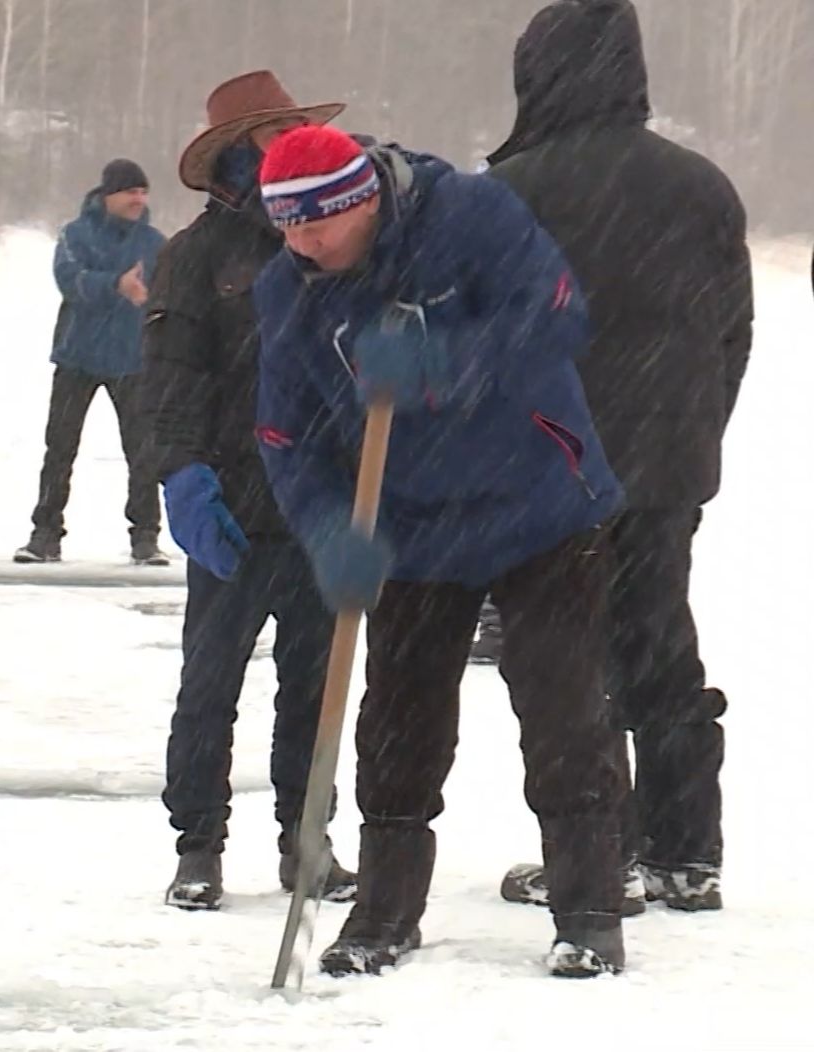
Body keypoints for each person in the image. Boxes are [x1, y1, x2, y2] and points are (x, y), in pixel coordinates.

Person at [251, 124, 629, 977]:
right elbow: (284, 435)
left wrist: (449, 360)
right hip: (412, 521)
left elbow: (559, 310)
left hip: (539, 500)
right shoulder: (290, 292)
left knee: (563, 707)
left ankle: (590, 912)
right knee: (398, 720)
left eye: (317, 224)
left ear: (363, 201)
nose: (301, 243)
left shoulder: (470, 214)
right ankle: (385, 914)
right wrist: (329, 531)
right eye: (286, 227)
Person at [483, 0, 752, 915]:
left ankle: (606, 850)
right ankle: (688, 848)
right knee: (660, 645)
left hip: (554, 466)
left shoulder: (516, 188)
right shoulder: (702, 187)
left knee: (569, 661)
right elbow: (732, 332)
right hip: (668, 463)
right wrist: (694, 430)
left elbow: (488, 344)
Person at [146, 71, 356, 910]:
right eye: (276, 138)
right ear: (243, 153)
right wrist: (182, 473)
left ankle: (308, 842)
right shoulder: (195, 257)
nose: (292, 151)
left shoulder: (337, 247)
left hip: (321, 513)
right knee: (209, 688)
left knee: (317, 691)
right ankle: (198, 845)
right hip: (231, 510)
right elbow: (169, 378)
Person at [14, 159, 169, 566]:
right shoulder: (75, 235)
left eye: (143, 192)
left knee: (143, 452)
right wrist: (116, 284)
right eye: (130, 192)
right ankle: (45, 534)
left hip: (133, 361)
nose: (138, 199)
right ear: (108, 195)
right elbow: (70, 280)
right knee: (60, 448)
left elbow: (170, 295)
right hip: (77, 356)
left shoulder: (155, 243)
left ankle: (146, 537)